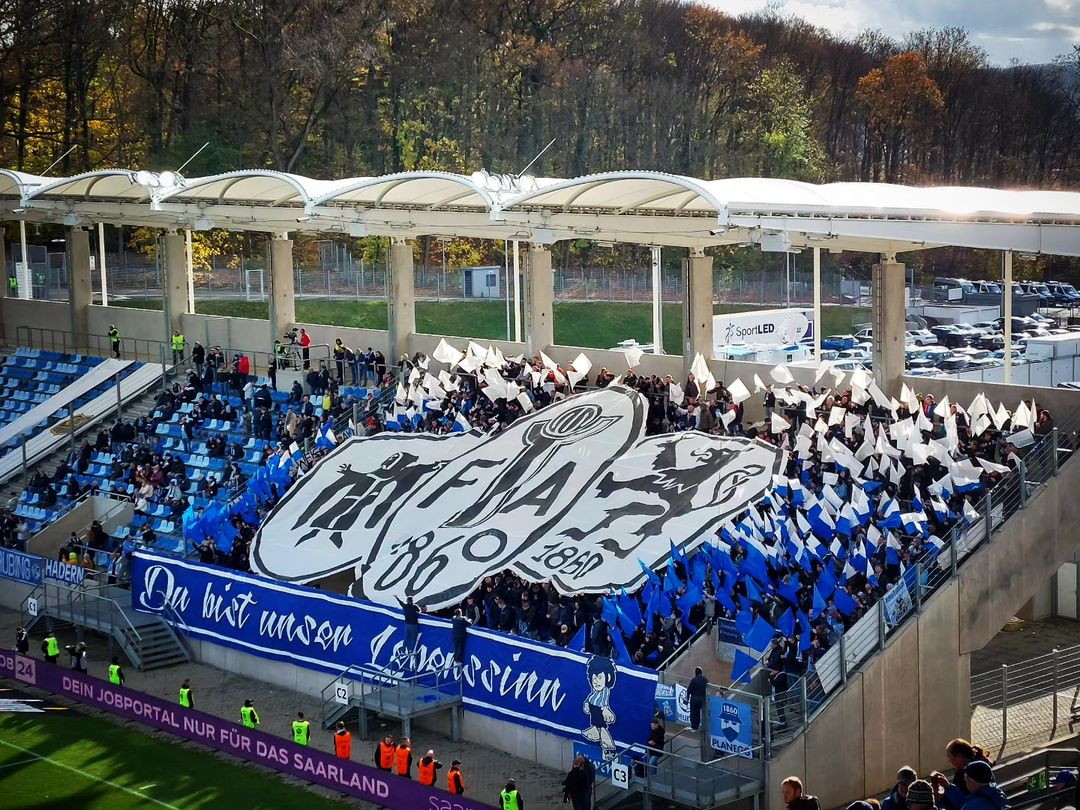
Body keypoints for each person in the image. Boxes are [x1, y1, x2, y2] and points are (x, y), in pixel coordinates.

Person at [936, 760, 1008, 810]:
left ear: (972, 780)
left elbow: (968, 805)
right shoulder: (997, 793)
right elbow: (966, 803)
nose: (964, 780)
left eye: (965, 777)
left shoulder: (972, 806)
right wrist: (948, 787)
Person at [687, 666, 707, 731]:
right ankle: (698, 725)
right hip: (702, 699)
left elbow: (689, 690)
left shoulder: (694, 680)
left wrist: (687, 698)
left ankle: (694, 726)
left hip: (694, 699)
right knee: (698, 712)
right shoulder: (705, 680)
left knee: (693, 712)